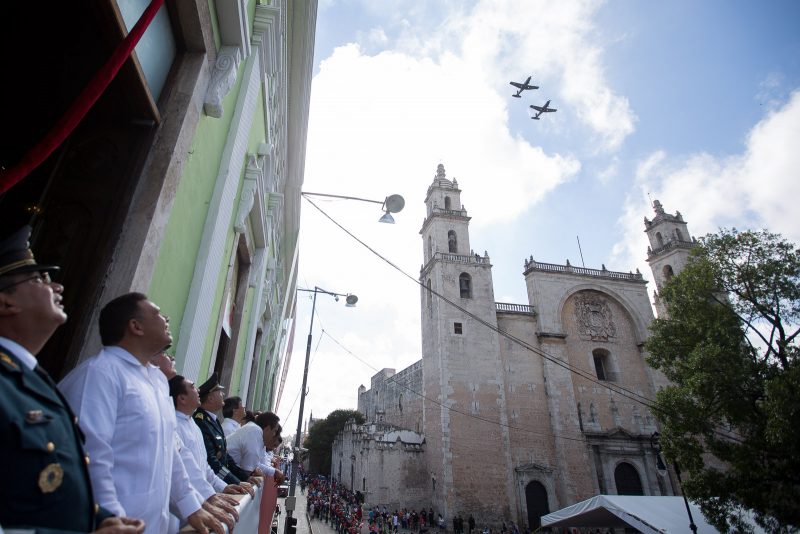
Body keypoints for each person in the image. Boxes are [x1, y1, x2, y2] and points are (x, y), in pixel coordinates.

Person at [0, 226, 145, 533]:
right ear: (6, 303)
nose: (58, 288)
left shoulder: (32, 379)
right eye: (39, 279)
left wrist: (100, 517)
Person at [60, 292, 223, 534]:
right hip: (115, 524)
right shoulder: (100, 374)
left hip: (153, 524)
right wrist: (110, 518)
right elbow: (91, 457)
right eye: (157, 314)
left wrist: (192, 506)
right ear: (135, 326)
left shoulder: (156, 381)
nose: (165, 319)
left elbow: (172, 454)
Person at [193, 372, 259, 484]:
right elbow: (212, 462)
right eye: (219, 391)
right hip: (210, 484)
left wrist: (244, 477)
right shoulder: (201, 422)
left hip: (219, 482)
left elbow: (225, 457)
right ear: (210, 398)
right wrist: (236, 482)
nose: (223, 394)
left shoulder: (214, 421)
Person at [226, 411, 285, 484]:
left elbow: (255, 464)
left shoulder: (256, 432)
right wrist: (253, 471)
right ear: (268, 428)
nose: (274, 435)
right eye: (275, 431)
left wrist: (274, 471)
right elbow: (247, 470)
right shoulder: (255, 431)